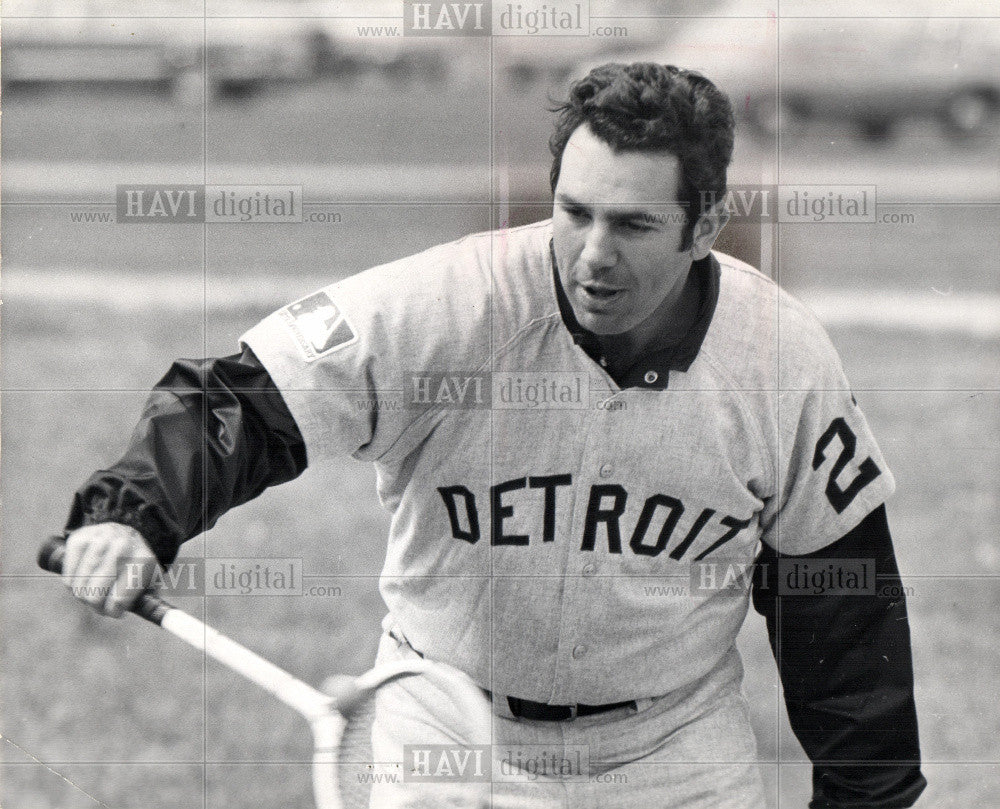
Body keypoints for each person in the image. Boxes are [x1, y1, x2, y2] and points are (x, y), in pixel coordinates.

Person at [61, 63, 925, 808]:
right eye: (573, 212)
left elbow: (844, 616)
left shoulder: (780, 361)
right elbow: (243, 402)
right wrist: (131, 513)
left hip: (672, 752)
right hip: (444, 728)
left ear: (704, 226)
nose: (591, 255)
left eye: (632, 224)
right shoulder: (447, 307)